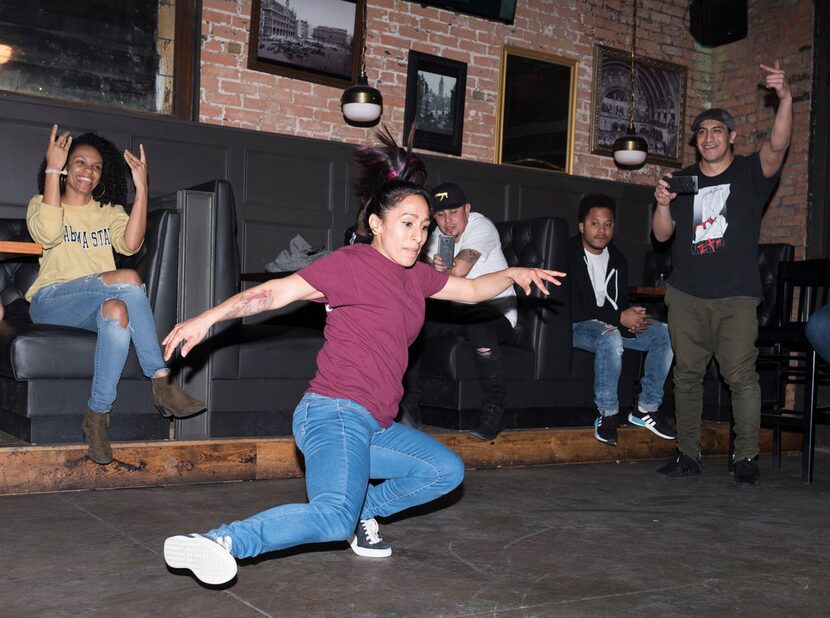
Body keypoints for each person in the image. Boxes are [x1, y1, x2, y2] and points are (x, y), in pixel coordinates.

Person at [161, 129, 564, 586]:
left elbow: (471, 290)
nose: (419, 236)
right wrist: (203, 320)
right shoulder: (350, 264)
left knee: (444, 470)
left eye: (425, 226)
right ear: (377, 223)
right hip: (333, 412)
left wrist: (512, 271)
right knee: (331, 517)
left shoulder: (416, 279)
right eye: (407, 224)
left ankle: (364, 513)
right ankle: (222, 542)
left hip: (376, 423)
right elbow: (274, 294)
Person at [26, 125, 206, 465]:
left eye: (95, 167)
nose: (88, 172)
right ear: (65, 166)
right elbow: (47, 232)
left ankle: (96, 417)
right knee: (127, 278)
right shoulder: (41, 203)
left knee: (118, 312)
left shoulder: (107, 212)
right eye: (79, 162)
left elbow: (131, 243)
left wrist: (142, 189)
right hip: (51, 303)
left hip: (93, 304)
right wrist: (52, 169)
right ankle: (162, 380)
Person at [652, 60, 793, 485]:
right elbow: (662, 236)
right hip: (687, 293)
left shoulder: (751, 172)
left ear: (731, 137)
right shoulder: (682, 180)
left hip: (735, 295)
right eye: (701, 132)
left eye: (717, 130)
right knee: (687, 376)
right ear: (696, 142)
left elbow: (778, 145)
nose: (709, 137)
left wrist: (785, 97)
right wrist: (661, 201)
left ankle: (745, 457)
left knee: (741, 378)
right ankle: (687, 454)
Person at [400, 182, 517, 440]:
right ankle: (409, 405)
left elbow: (460, 272)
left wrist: (439, 271)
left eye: (453, 212)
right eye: (440, 215)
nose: (447, 221)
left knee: (479, 324)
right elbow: (425, 278)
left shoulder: (480, 226)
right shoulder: (434, 236)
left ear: (467, 209)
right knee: (415, 322)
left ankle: (495, 410)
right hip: (458, 312)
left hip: (496, 313)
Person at [568, 194, 675, 446]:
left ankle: (645, 409)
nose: (601, 230)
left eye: (608, 224)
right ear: (582, 226)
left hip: (610, 324)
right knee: (610, 334)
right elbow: (571, 308)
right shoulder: (566, 253)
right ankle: (607, 414)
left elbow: (619, 304)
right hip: (576, 326)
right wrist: (619, 318)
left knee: (664, 333)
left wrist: (632, 318)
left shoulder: (618, 259)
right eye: (595, 223)